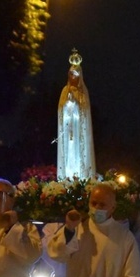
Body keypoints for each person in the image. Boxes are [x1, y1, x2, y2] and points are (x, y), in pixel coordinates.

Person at [57, 48, 96, 181]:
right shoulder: (64, 91)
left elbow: (85, 111)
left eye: (75, 74)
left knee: (79, 153)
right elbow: (61, 110)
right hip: (68, 129)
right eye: (71, 74)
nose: (73, 77)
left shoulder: (82, 93)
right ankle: (67, 178)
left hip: (79, 128)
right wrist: (68, 106)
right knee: (69, 154)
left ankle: (81, 177)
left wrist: (76, 105)